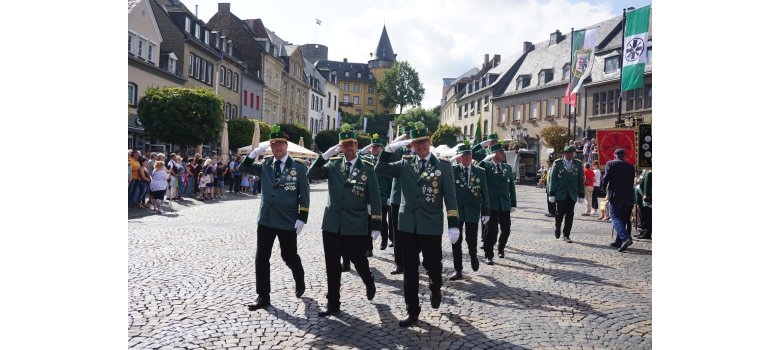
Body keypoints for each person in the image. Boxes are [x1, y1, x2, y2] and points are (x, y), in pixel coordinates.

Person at [375, 122, 460, 327]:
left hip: (430, 225)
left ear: (429, 143)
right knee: (410, 270)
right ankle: (412, 310)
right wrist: (388, 150)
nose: (421, 146)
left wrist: (453, 223)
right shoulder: (405, 163)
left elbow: (450, 196)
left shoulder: (443, 166)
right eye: (416, 143)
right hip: (407, 226)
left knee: (433, 265)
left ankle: (435, 286)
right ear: (411, 146)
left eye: (424, 142)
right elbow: (380, 170)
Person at [307, 124, 381, 317]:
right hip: (332, 224)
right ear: (340, 147)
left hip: (355, 224)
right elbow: (311, 175)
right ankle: (333, 303)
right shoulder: (333, 165)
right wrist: (324, 156)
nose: (348, 148)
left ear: (356, 145)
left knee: (358, 260)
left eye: (351, 144)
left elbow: (375, 198)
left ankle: (368, 279)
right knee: (332, 265)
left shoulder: (367, 169)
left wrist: (376, 225)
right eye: (344, 145)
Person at [240, 125, 310, 310]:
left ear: (286, 145)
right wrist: (254, 152)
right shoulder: (265, 164)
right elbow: (243, 168)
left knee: (288, 255)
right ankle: (263, 296)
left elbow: (305, 194)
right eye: (273, 145)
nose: (277, 148)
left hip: (287, 219)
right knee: (261, 257)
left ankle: (299, 275)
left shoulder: (298, 167)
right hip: (266, 218)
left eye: (280, 144)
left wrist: (302, 217)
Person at [449, 141, 490, 281]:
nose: (467, 158)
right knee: (456, 240)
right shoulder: (453, 170)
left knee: (471, 239)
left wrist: (486, 212)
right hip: (457, 211)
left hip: (473, 210)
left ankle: (473, 256)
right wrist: (453, 159)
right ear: (459, 157)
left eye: (469, 155)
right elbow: (442, 165)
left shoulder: (480, 172)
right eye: (464, 155)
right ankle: (458, 269)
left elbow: (485, 192)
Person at [478, 142, 517, 262]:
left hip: (504, 204)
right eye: (501, 152)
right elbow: (477, 169)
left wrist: (513, 202)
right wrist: (486, 159)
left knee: (506, 229)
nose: (503, 154)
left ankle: (501, 248)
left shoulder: (507, 168)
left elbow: (512, 186)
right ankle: (489, 255)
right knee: (491, 231)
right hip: (491, 204)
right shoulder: (487, 167)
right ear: (494, 154)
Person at [360, 134, 392, 255]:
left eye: (376, 147)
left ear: (381, 148)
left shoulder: (385, 162)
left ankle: (384, 239)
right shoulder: (366, 161)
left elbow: (390, 179)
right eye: (372, 147)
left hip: (382, 197)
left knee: (382, 220)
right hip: (369, 197)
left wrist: (389, 196)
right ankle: (369, 248)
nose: (374, 149)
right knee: (368, 222)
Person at [548, 145, 585, 243]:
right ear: (564, 153)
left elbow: (580, 179)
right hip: (561, 193)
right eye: (567, 153)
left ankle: (566, 235)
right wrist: (552, 193)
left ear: (573, 154)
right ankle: (558, 227)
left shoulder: (578, 164)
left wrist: (581, 194)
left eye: (571, 153)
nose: (569, 155)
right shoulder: (558, 163)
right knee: (559, 214)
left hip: (572, 194)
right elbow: (553, 179)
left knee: (570, 215)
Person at [601, 148, 636, 252]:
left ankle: (625, 238)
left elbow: (606, 177)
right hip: (628, 196)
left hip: (616, 195)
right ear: (624, 156)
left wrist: (603, 187)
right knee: (623, 219)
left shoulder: (610, 163)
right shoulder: (631, 166)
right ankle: (618, 241)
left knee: (615, 217)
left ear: (614, 155)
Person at [636, 169, 652, 240]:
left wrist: (646, 197)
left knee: (646, 217)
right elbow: (640, 182)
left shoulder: (649, 173)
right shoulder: (644, 171)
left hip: (644, 198)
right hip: (640, 198)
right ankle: (643, 231)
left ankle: (647, 233)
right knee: (642, 216)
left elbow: (647, 185)